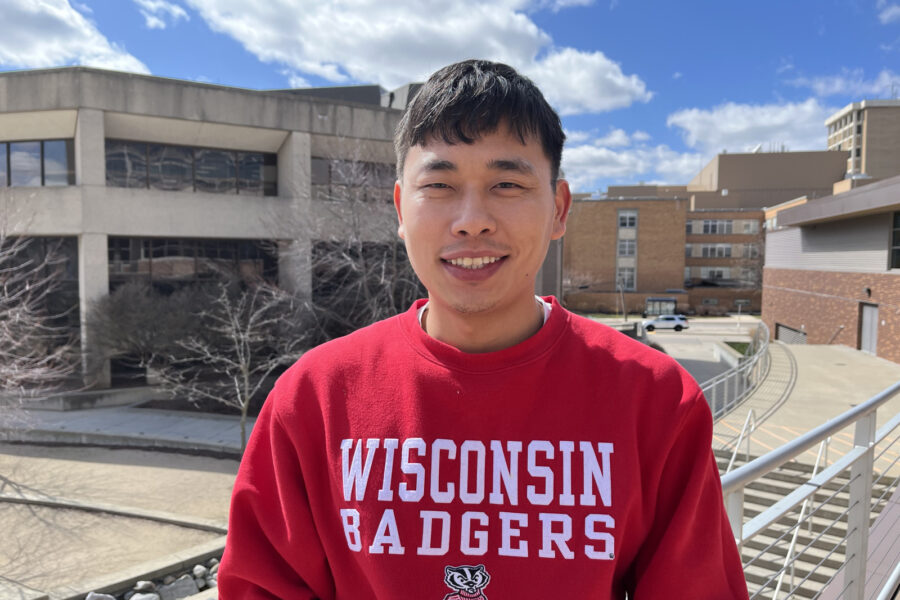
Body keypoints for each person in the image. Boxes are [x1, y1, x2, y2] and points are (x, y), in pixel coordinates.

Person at [218, 59, 748, 599]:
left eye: (507, 184)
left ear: (558, 209)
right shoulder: (313, 399)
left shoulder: (655, 400)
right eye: (440, 184)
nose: (472, 220)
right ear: (400, 208)